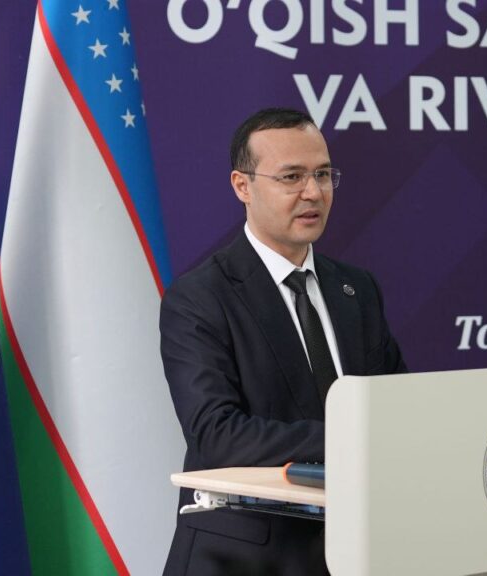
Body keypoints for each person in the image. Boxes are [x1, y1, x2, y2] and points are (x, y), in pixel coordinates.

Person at [159, 108, 406, 576]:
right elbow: (216, 434)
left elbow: (396, 408)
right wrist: (349, 438)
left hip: (356, 552)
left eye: (323, 174)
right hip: (246, 559)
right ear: (242, 186)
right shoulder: (199, 298)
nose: (313, 192)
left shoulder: (357, 289)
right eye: (291, 177)